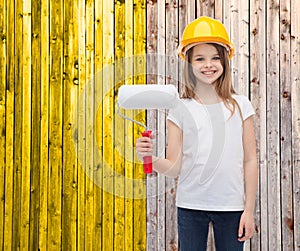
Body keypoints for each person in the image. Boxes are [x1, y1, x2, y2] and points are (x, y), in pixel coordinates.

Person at [136, 16, 258, 251]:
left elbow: (250, 160)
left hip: (232, 207)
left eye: (215, 58)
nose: (208, 65)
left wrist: (249, 210)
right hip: (191, 206)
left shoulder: (241, 105)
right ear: (189, 64)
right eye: (199, 59)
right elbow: (174, 167)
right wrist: (149, 158)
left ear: (225, 61)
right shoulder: (180, 109)